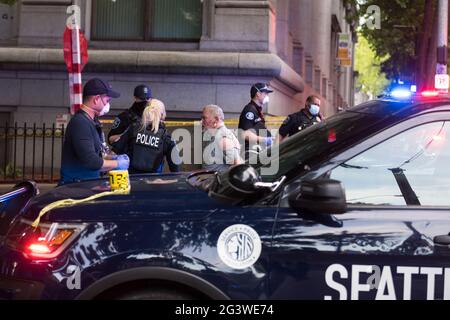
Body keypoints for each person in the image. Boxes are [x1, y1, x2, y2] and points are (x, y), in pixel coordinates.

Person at [60, 78, 130, 185]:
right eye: (107, 101)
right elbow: (91, 161)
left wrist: (111, 157)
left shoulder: (91, 121)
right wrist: (117, 163)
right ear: (97, 99)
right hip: (75, 187)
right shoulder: (80, 123)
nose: (108, 105)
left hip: (85, 185)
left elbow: (96, 155)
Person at [114, 99, 180, 174]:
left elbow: (115, 152)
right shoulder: (167, 137)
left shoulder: (133, 128)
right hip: (153, 182)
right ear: (162, 115)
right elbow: (175, 169)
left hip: (131, 180)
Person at [238, 83, 274, 160]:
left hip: (258, 151)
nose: (267, 96)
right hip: (250, 153)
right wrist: (264, 140)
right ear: (258, 94)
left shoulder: (257, 110)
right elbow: (245, 134)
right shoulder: (250, 110)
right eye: (265, 93)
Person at [202, 104, 243, 172]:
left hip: (218, 181)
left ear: (216, 119)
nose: (202, 121)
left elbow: (238, 166)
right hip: (210, 180)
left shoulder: (223, 138)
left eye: (205, 118)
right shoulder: (216, 135)